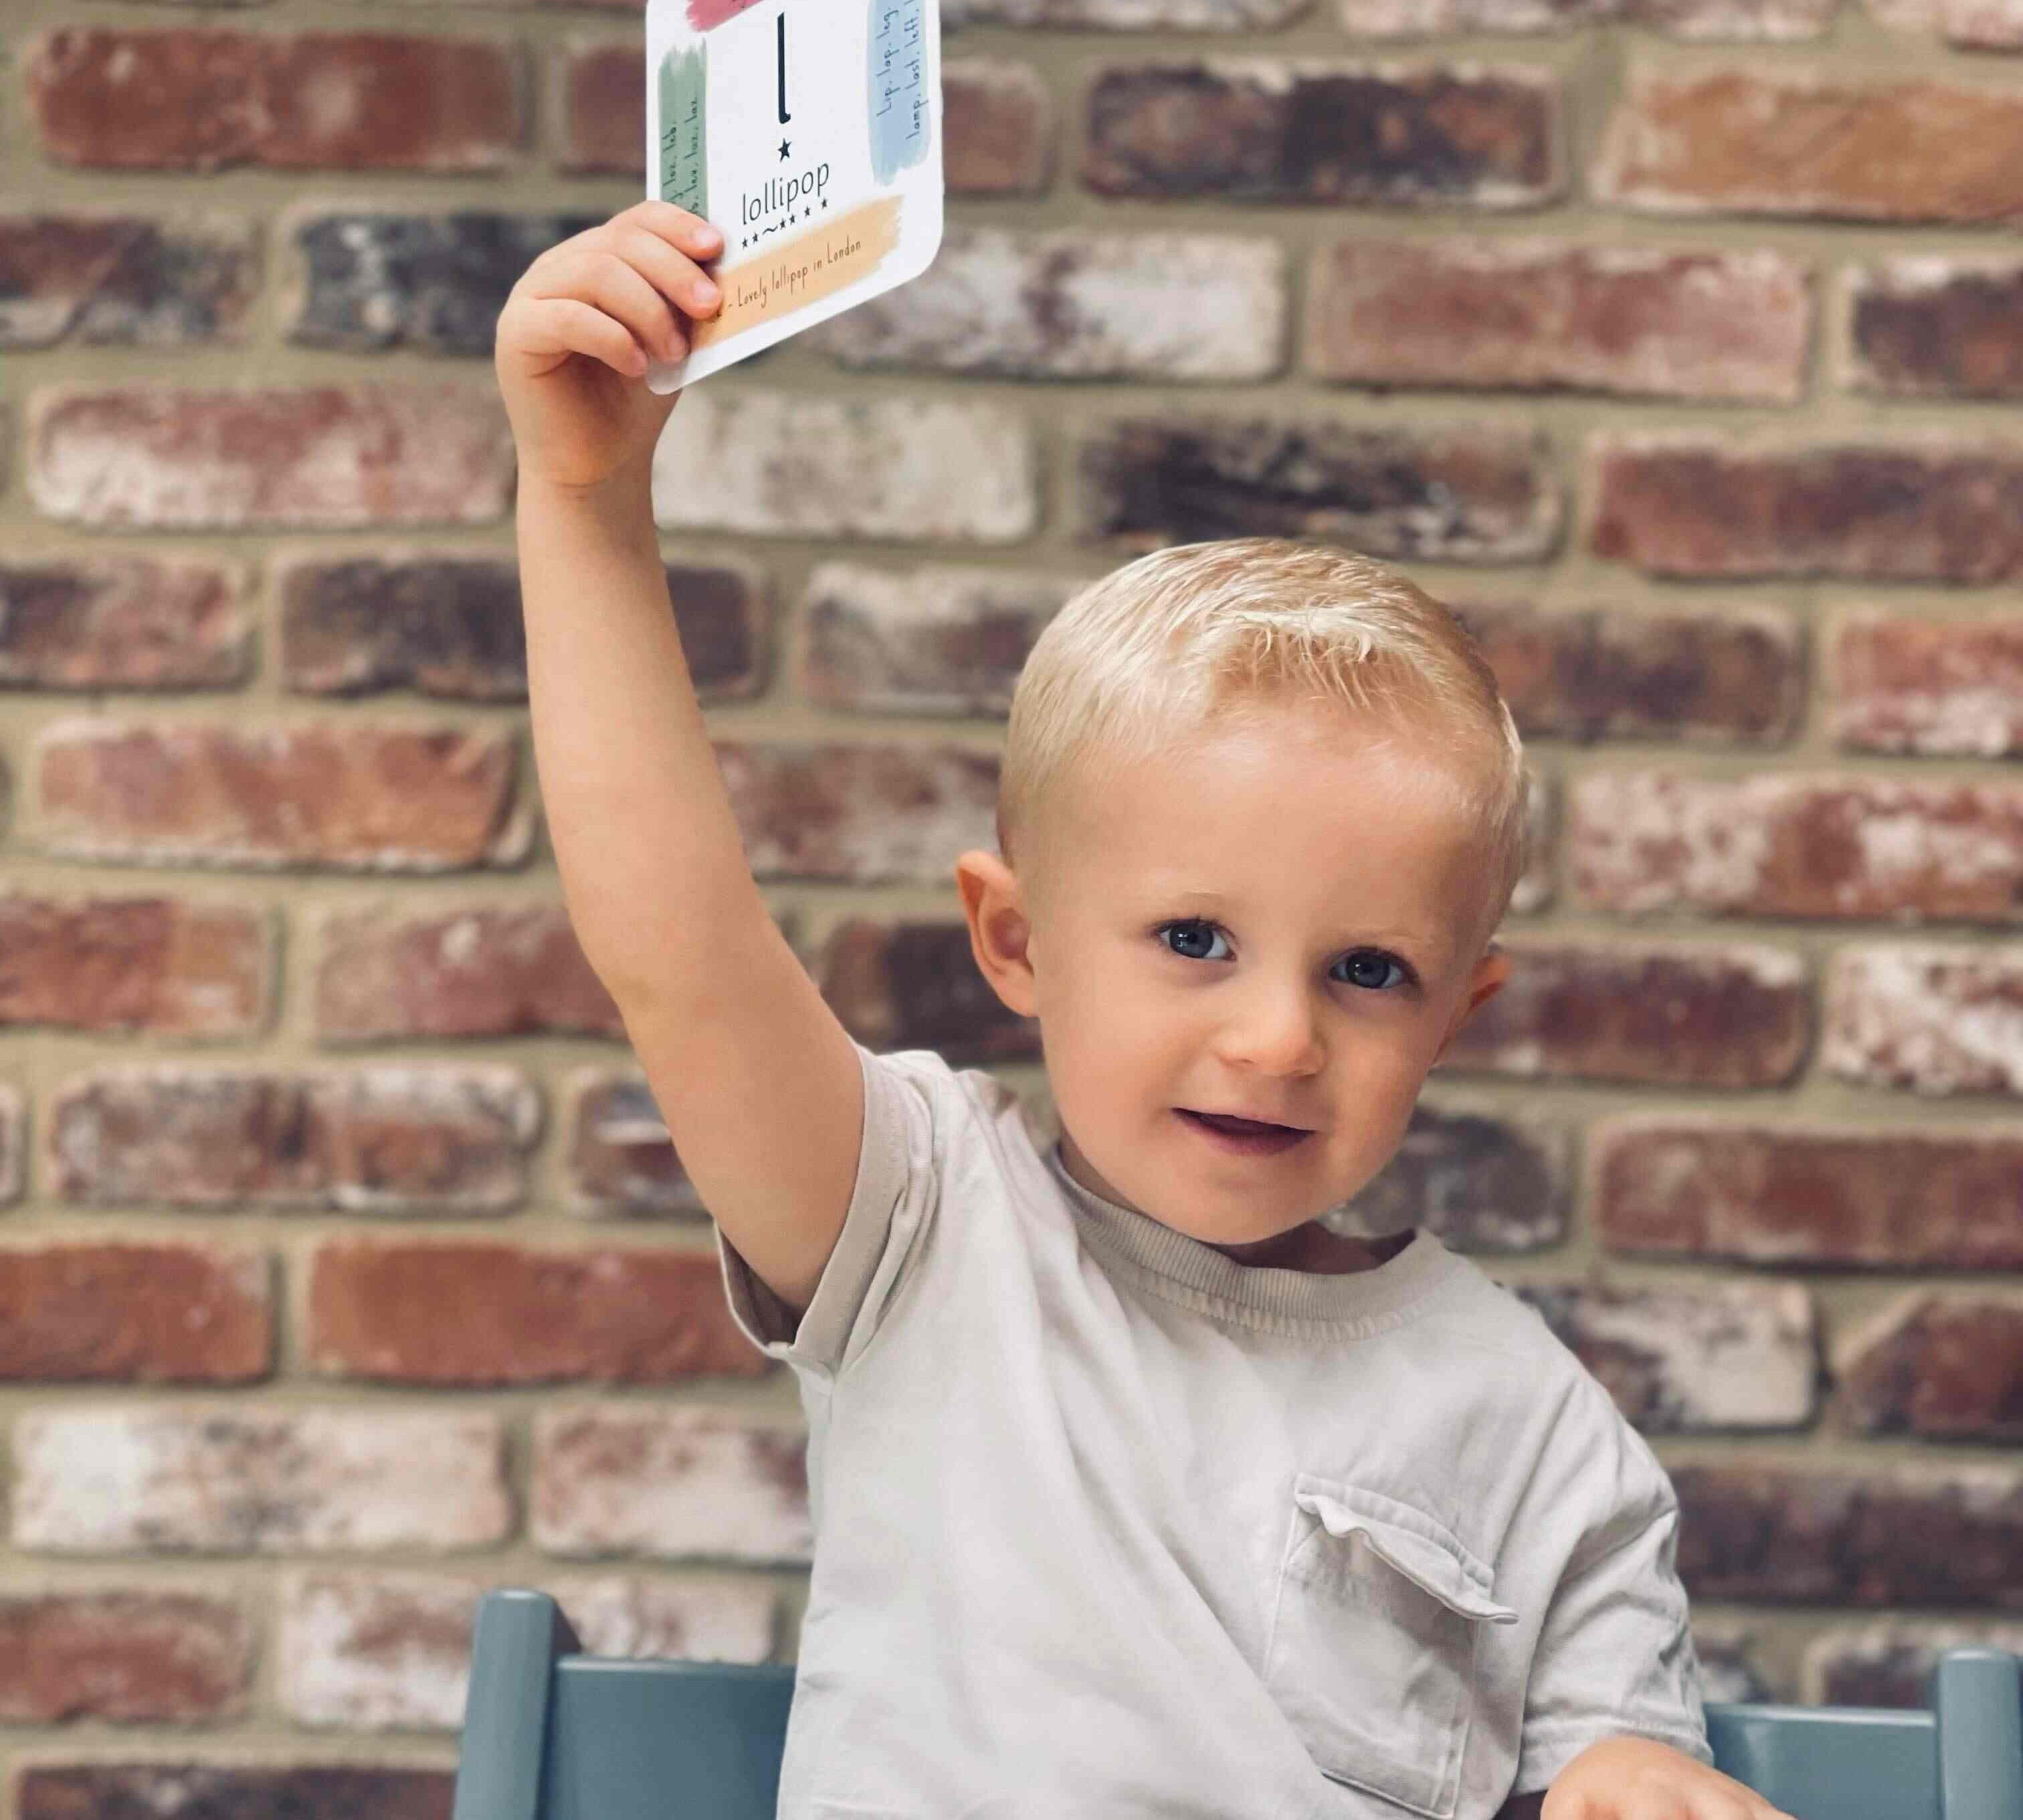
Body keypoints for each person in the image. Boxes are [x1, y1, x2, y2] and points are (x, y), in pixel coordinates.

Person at [494, 197, 1797, 1820]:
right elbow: (675, 953)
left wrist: (1630, 1775)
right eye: (1194, 935)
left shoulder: (1535, 1425)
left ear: (1457, 1015)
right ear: (1019, 941)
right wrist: (586, 496)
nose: (1276, 1036)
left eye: (1368, 969)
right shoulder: (920, 1227)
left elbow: (1625, 1752)